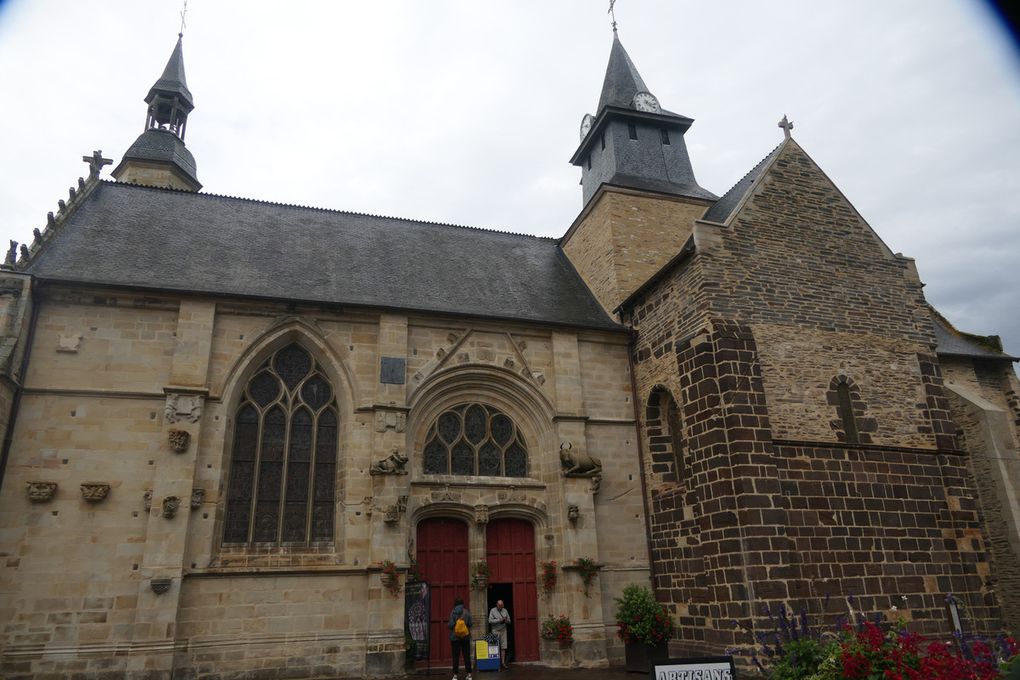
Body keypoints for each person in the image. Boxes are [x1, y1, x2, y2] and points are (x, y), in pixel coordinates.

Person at [447, 596, 472, 680]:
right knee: (466, 656)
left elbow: (450, 625)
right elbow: (470, 624)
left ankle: (455, 675)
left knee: (455, 656)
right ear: (462, 603)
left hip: (455, 638)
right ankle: (469, 674)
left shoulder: (453, 612)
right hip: (465, 637)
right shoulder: (467, 612)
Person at [487, 599, 511, 668]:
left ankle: (503, 662)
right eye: (499, 605)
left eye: (502, 605)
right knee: (495, 646)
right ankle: (496, 663)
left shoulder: (505, 610)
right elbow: (490, 621)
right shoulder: (492, 610)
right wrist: (499, 620)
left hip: (503, 630)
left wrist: (506, 620)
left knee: (503, 647)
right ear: (497, 605)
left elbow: (509, 621)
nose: (501, 607)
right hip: (495, 630)